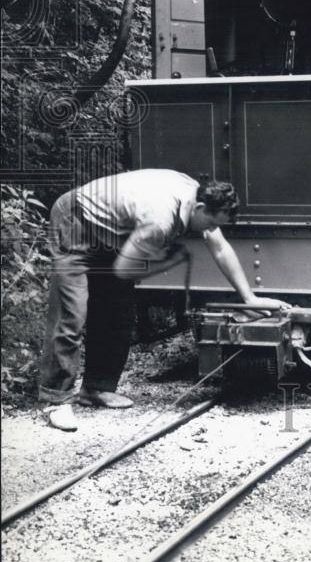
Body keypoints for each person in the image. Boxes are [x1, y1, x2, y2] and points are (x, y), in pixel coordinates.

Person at [39, 169, 290, 431]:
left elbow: (220, 247)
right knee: (72, 313)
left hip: (110, 232)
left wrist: (249, 298)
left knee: (119, 311)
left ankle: (96, 389)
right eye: (212, 223)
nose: (212, 230)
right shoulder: (160, 219)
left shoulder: (195, 194)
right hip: (75, 222)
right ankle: (56, 400)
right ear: (201, 208)